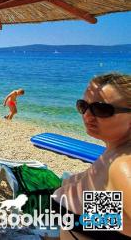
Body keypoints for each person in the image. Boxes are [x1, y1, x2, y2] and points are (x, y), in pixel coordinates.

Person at [52, 73, 130, 240]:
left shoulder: (122, 165)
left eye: (101, 109)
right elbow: (115, 218)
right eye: (83, 106)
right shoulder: (114, 152)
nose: (87, 116)